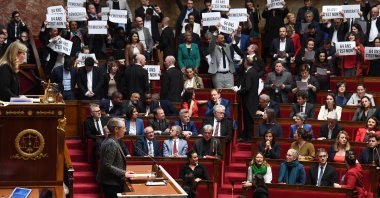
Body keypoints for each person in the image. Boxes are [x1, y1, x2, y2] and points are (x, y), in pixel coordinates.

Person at [96, 118, 135, 198]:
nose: (125, 130)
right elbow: (107, 165)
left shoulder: (112, 140)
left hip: (112, 182)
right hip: (111, 183)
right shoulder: (111, 143)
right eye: (124, 128)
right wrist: (124, 173)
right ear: (116, 129)